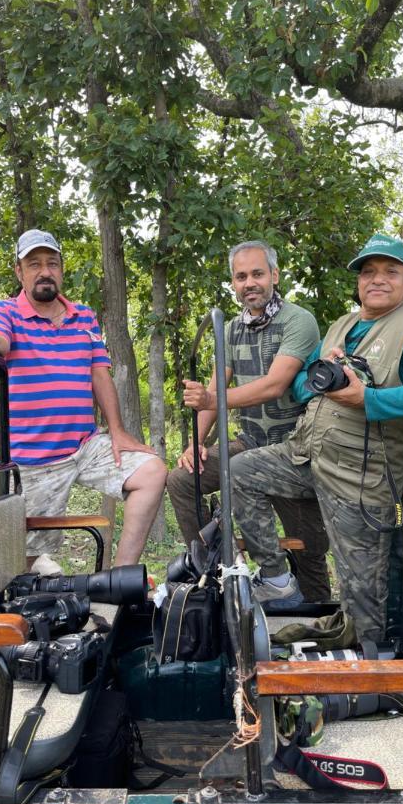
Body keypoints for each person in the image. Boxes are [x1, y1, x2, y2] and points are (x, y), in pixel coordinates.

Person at [230, 233, 403, 638]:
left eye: (390, 272)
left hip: (360, 477)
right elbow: (305, 386)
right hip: (307, 455)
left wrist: (369, 399)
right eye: (369, 272)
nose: (378, 280)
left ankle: (372, 677)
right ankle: (275, 579)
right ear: (358, 282)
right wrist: (324, 369)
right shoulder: (344, 324)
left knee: (362, 595)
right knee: (241, 471)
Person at [0, 228, 167, 570]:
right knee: (17, 566)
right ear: (19, 271)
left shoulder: (83, 316)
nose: (44, 271)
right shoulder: (5, 311)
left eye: (52, 263)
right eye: (34, 264)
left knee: (152, 471)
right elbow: (1, 340)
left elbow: (99, 372)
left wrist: (117, 430)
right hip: (33, 459)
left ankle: (118, 579)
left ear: (61, 269)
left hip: (85, 447)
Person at [166, 240, 332, 604]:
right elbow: (214, 390)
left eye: (257, 273)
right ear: (233, 283)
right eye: (241, 277)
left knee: (310, 557)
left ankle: (317, 621)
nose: (249, 283)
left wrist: (212, 399)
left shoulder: (298, 320)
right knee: (182, 478)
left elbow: (274, 385)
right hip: (251, 443)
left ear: (274, 275)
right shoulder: (232, 329)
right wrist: (196, 440)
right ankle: (211, 566)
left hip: (295, 450)